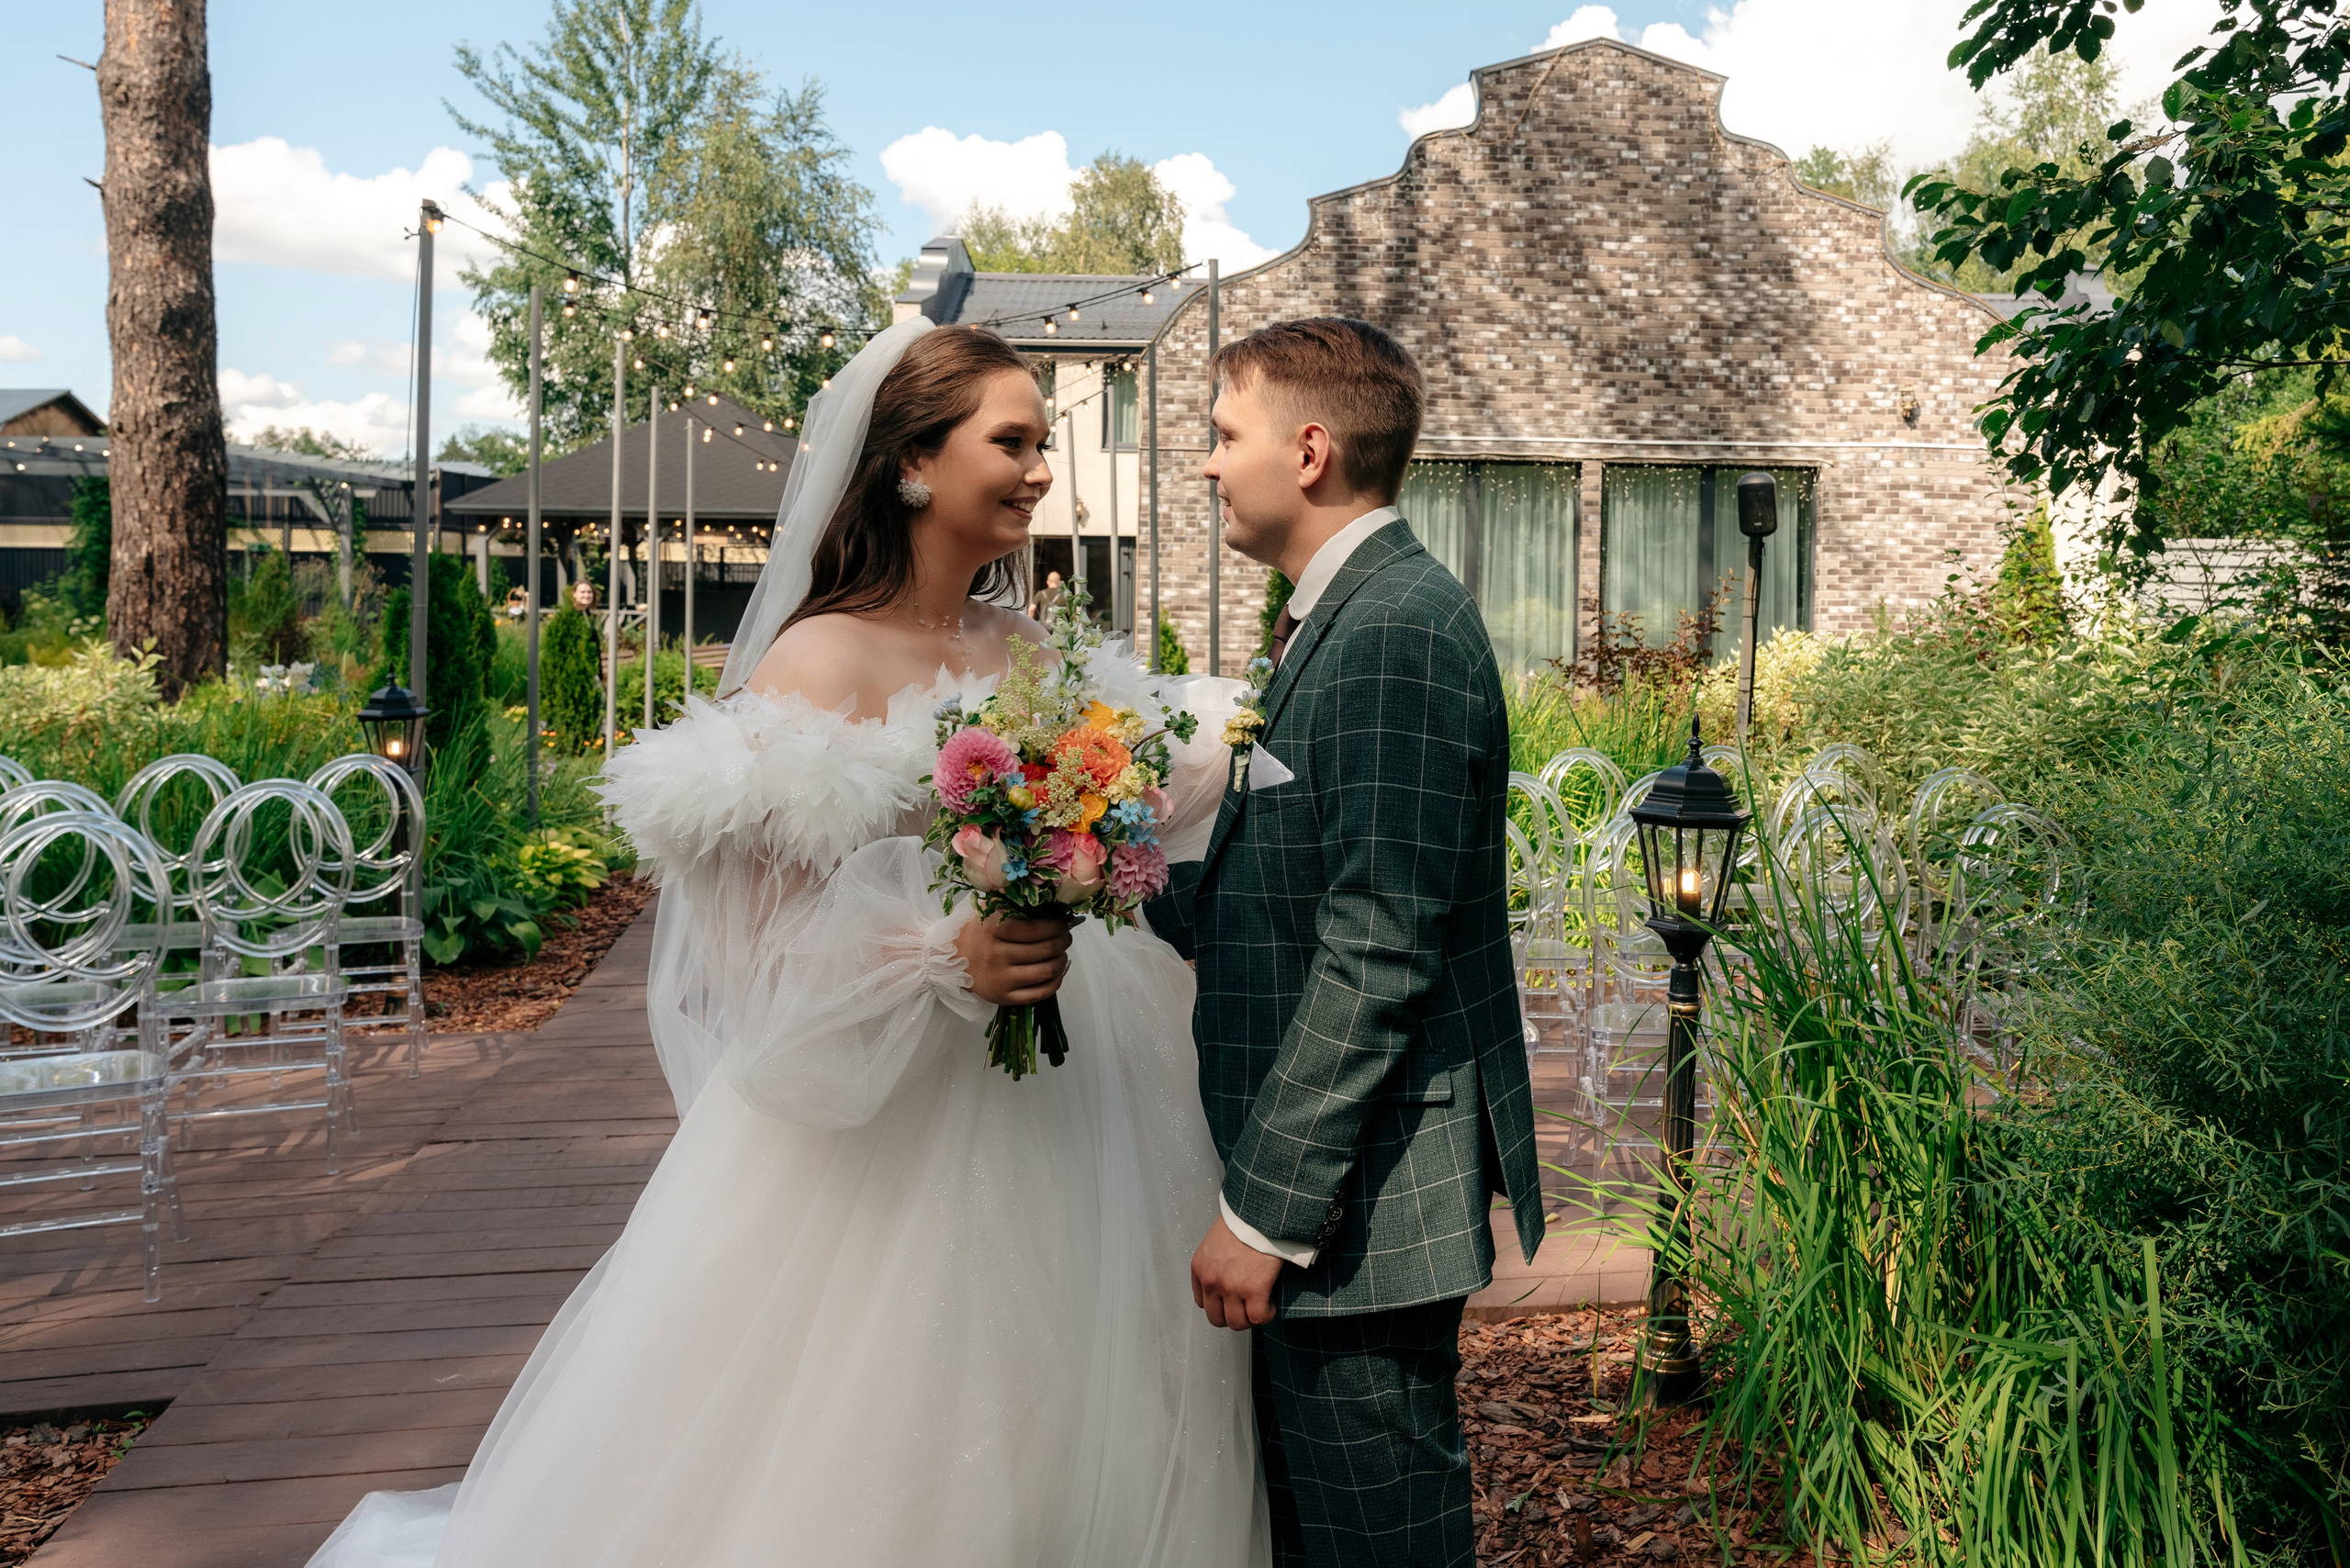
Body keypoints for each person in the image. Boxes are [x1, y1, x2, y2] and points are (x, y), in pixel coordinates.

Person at [306, 319, 1267, 1568]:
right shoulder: (819, 661)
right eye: (1012, 442)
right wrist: (943, 958)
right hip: (898, 1123)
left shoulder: (1029, 646)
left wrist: (1246, 735)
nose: (1037, 471)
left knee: (1073, 1395)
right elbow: (761, 963)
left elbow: (1143, 775)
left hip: (1077, 1095)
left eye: (1041, 444)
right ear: (914, 464)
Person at [1145, 318, 1544, 1568]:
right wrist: (1099, 878)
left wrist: (1264, 1215)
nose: (1206, 465)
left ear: (1308, 449)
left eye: (1223, 434)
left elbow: (1379, 947)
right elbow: (1290, 885)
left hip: (1362, 1210)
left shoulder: (1393, 634)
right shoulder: (1336, 615)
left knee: (1377, 1546)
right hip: (1344, 1198)